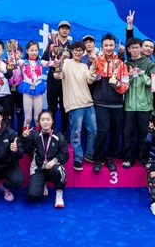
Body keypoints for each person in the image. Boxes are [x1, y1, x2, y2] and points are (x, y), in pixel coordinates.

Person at [53, 40, 97, 170]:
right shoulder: (66, 62)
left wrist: (93, 65)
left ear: (83, 52)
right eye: (76, 50)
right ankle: (78, 158)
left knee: (93, 131)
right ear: (72, 51)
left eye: (80, 51)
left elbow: (90, 80)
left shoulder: (84, 66)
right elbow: (57, 75)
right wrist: (60, 61)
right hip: (74, 105)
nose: (78, 52)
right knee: (76, 133)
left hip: (88, 103)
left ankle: (89, 155)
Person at [90, 34, 128, 172]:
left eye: (111, 45)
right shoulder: (97, 60)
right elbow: (93, 79)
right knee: (103, 130)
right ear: (102, 47)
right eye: (106, 45)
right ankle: (98, 158)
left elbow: (126, 84)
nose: (109, 48)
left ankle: (110, 156)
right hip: (101, 102)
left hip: (117, 103)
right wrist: (98, 63)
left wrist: (118, 86)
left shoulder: (121, 64)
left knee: (115, 131)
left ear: (115, 46)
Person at [21, 110, 70, 208]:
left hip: (53, 167)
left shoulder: (59, 137)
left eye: (48, 119)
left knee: (58, 169)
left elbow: (65, 155)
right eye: (43, 120)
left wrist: (54, 161)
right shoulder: (35, 136)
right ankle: (43, 183)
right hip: (39, 168)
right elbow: (26, 149)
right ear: (39, 122)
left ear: (52, 121)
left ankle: (59, 195)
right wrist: (24, 138)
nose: (45, 122)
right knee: (32, 195)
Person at [123, 37, 155, 168]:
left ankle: (144, 158)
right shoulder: (125, 64)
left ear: (141, 48)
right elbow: (123, 85)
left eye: (137, 47)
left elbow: (152, 83)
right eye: (132, 48)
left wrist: (141, 74)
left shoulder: (149, 64)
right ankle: (128, 159)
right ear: (129, 49)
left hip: (145, 106)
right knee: (128, 133)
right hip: (129, 106)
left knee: (145, 134)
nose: (135, 50)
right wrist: (130, 75)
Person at [42, 21, 72, 137]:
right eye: (62, 28)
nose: (64, 30)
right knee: (52, 106)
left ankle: (64, 132)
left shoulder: (71, 46)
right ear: (58, 30)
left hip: (65, 77)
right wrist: (52, 63)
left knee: (65, 106)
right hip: (53, 76)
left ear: (69, 31)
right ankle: (52, 131)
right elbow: (43, 61)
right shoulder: (51, 44)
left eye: (66, 28)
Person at [18, 41, 48, 129]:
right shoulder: (23, 62)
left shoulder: (41, 62)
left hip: (38, 89)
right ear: (27, 51)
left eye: (36, 50)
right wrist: (12, 57)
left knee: (37, 118)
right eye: (32, 50)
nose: (34, 52)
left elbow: (51, 63)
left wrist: (59, 60)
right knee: (28, 118)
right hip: (27, 90)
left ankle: (38, 135)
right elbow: (15, 62)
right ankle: (25, 135)